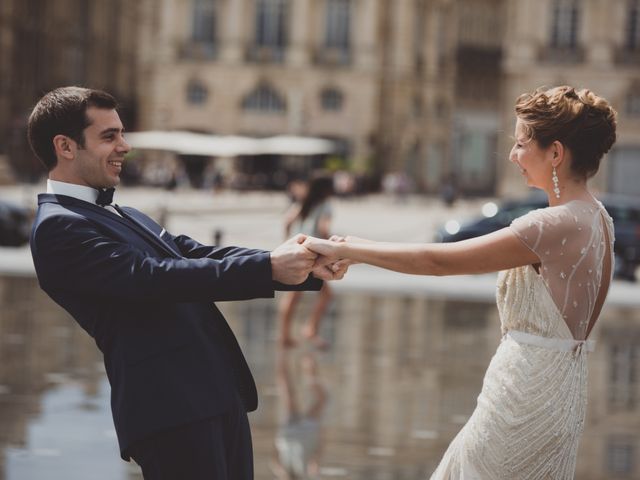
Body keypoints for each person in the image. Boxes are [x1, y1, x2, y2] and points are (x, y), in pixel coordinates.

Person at [27, 86, 346, 480]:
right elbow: (150, 278)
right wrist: (268, 268)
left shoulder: (125, 212)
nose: (125, 146)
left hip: (215, 395)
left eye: (122, 133)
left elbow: (195, 254)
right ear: (65, 146)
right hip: (171, 409)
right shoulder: (58, 226)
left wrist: (300, 263)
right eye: (109, 136)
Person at [305, 86, 617, 479]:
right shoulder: (598, 217)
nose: (512, 155)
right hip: (561, 393)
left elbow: (437, 261)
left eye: (521, 144)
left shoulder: (553, 224)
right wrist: (352, 246)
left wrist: (350, 249)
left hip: (525, 394)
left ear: (555, 153)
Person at [279, 174, 334, 349]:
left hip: (298, 247)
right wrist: (331, 250)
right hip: (314, 252)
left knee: (294, 294)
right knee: (325, 295)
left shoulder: (305, 201)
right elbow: (323, 229)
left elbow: (287, 221)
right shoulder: (325, 205)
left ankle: (286, 334)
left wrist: (288, 241)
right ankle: (310, 329)